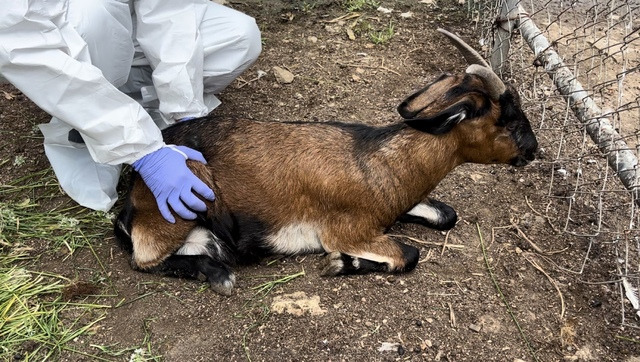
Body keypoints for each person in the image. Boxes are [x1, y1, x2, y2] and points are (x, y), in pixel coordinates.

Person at [0, 1, 261, 223]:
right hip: (49, 38)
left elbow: (167, 12)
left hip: (122, 26)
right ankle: (92, 127)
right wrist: (143, 152)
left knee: (238, 37)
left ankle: (143, 115)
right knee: (94, 13)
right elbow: (21, 44)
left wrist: (185, 111)